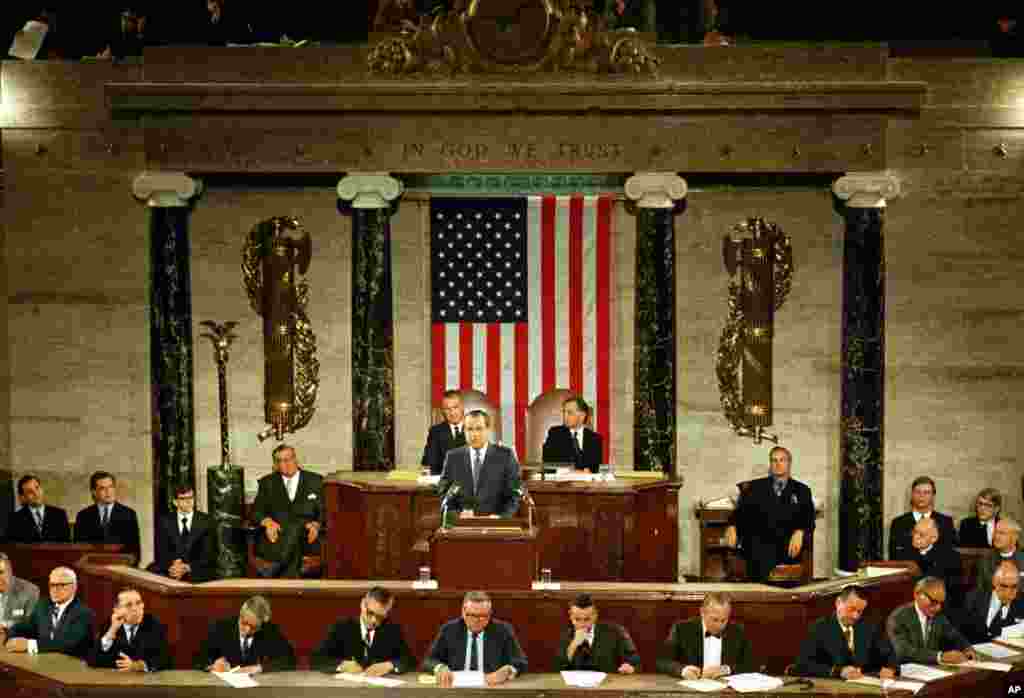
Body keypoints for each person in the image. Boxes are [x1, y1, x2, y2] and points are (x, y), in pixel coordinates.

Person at [724, 446, 815, 582]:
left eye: (782, 460)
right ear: (770, 464)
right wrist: (732, 526)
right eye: (774, 460)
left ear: (789, 463)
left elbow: (809, 518)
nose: (778, 464)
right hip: (759, 549)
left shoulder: (802, 490)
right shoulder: (754, 488)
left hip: (787, 550)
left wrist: (800, 531)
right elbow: (739, 513)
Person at [423, 590, 528, 686]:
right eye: (474, 616)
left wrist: (509, 670)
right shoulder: (449, 629)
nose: (479, 620)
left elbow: (520, 662)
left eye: (485, 615)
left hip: (491, 688)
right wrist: (440, 668)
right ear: (463, 613)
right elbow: (429, 660)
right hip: (456, 688)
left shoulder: (502, 630)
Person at [251, 444, 324, 578]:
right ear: (276, 464)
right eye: (281, 461)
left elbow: (325, 511)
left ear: (296, 459)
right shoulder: (267, 483)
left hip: (307, 538)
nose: (286, 464)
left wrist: (317, 524)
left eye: (289, 459)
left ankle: (275, 570)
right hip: (276, 538)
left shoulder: (315, 481)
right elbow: (256, 511)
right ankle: (290, 579)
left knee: (296, 529)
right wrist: (267, 522)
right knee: (294, 531)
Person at [794, 585, 897, 680]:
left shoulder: (869, 626)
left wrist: (890, 669)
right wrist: (838, 671)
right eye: (851, 609)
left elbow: (889, 655)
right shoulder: (819, 628)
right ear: (838, 603)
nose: (855, 616)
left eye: (860, 611)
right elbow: (803, 665)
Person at [311, 586, 415, 674]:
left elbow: (409, 660)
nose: (374, 620)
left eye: (380, 617)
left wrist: (390, 665)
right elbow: (317, 660)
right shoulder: (342, 626)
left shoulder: (392, 629)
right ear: (362, 604)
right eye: (370, 613)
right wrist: (342, 665)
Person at [438, 410, 522, 518]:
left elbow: (514, 495)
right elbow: (444, 492)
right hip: (462, 524)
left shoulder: (505, 456)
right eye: (469, 429)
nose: (474, 434)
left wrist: (501, 517)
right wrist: (457, 514)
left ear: (488, 430)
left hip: (495, 524)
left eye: (479, 429)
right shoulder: (453, 457)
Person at [0, 566, 95, 658]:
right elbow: (25, 627)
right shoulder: (43, 606)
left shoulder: (84, 613)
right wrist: (9, 635)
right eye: (52, 585)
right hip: (44, 662)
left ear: (74, 587)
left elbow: (67, 644)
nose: (55, 590)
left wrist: (30, 644)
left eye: (61, 585)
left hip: (73, 667)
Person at [656, 592, 755, 680]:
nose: (719, 625)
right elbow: (663, 661)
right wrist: (683, 670)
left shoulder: (737, 631)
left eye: (724, 620)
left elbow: (751, 664)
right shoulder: (682, 629)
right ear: (702, 613)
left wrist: (726, 669)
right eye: (715, 620)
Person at [193, 596, 296, 673]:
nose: (247, 630)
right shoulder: (221, 627)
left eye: (253, 627)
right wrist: (212, 666)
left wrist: (259, 668)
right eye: (244, 623)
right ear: (240, 614)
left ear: (262, 624)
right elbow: (199, 659)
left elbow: (288, 660)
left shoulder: (269, 630)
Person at [886, 576, 975, 665]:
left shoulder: (939, 617)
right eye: (933, 601)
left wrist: (967, 648)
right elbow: (904, 652)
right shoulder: (898, 618)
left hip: (931, 670)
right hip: (903, 671)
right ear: (917, 594)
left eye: (941, 603)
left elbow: (955, 636)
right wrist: (940, 656)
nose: (938, 608)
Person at [89, 587, 171, 672]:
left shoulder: (153, 625)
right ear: (117, 610)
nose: (135, 609)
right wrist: (112, 631)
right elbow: (93, 660)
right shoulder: (109, 625)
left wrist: (138, 666)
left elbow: (164, 660)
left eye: (138, 603)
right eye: (129, 605)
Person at [554, 593, 639, 673]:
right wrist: (573, 645)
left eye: (587, 619)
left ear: (595, 616)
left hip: (608, 685)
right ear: (570, 616)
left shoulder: (616, 632)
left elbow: (634, 661)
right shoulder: (565, 635)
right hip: (575, 687)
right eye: (577, 619)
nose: (582, 624)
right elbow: (557, 669)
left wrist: (630, 667)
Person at [151, 483, 217, 583]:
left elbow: (209, 554)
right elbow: (160, 551)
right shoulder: (164, 522)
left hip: (198, 573)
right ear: (175, 502)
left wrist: (186, 567)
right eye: (183, 499)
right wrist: (174, 564)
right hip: (171, 571)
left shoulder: (207, 521)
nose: (188, 502)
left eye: (191, 498)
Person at [74, 471, 142, 564]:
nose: (108, 492)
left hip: (121, 569)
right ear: (94, 492)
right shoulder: (83, 516)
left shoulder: (128, 514)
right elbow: (79, 550)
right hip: (92, 568)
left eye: (110, 487)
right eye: (102, 488)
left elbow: (135, 551)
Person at [888, 476, 957, 560]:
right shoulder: (898, 523)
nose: (921, 496)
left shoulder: (946, 522)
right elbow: (895, 556)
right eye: (918, 492)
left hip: (937, 572)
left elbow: (949, 554)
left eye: (926, 492)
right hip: (909, 571)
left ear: (933, 496)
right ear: (912, 494)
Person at [958, 560, 1024, 643]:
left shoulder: (1021, 603)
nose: (1008, 592)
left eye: (1014, 587)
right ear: (994, 582)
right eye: (1004, 586)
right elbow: (960, 634)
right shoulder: (973, 598)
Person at [542, 396, 604, 473]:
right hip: (561, 483)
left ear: (582, 416)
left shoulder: (595, 439)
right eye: (564, 412)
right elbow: (548, 464)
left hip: (586, 483)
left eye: (569, 412)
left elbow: (595, 468)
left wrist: (588, 472)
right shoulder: (555, 434)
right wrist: (572, 472)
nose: (565, 416)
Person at [5, 475, 71, 543]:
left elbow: (67, 546)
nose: (36, 493)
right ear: (23, 497)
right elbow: (11, 547)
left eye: (37, 488)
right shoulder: (15, 519)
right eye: (30, 491)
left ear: (42, 489)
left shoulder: (59, 515)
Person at [908, 518, 962, 593]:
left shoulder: (949, 556)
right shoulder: (905, 553)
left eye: (921, 534)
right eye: (914, 532)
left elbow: (949, 586)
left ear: (934, 538)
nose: (915, 537)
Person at [421, 390, 467, 475]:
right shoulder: (435, 432)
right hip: (443, 482)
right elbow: (429, 461)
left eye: (455, 407)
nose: (452, 413)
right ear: (443, 411)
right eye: (447, 409)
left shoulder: (474, 428)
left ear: (462, 407)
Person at [974, 517, 1024, 594]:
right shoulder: (985, 560)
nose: (996, 536)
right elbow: (979, 592)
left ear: (1014, 537)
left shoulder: (1022, 559)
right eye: (995, 532)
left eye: (1002, 533)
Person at [0, 553, 39, 630]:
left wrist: (5, 625)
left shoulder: (30, 591)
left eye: (1, 572)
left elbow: (31, 625)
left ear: (10, 571)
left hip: (14, 638)